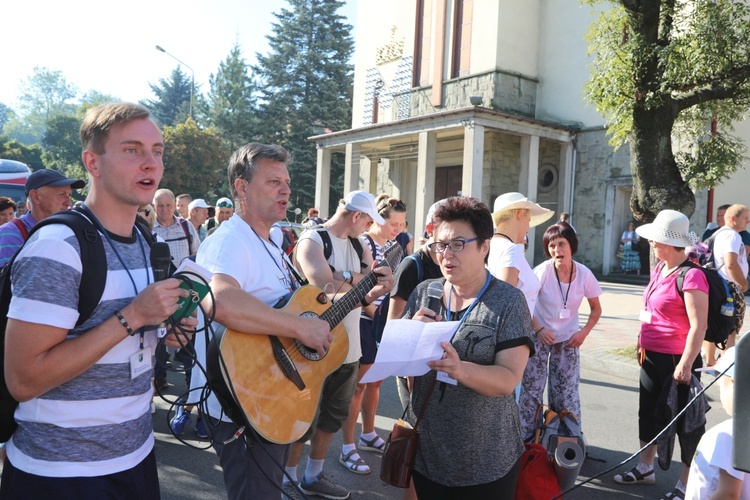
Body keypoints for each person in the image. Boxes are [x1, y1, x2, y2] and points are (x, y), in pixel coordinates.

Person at [0, 101, 195, 497]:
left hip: (136, 458)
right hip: (59, 472)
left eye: (157, 151)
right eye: (132, 149)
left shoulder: (145, 240)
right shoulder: (57, 246)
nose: (150, 163)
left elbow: (131, 336)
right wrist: (132, 317)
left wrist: (166, 328)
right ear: (93, 162)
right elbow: (23, 380)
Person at [194, 142, 333, 499]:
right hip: (241, 406)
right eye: (273, 181)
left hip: (271, 398)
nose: (286, 189)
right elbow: (221, 300)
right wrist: (301, 327)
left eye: (286, 181)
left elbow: (282, 309)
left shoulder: (271, 241)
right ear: (242, 188)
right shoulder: (229, 241)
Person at [400, 196, 533, 498]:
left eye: (458, 244)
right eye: (440, 245)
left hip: (487, 461)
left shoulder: (508, 302)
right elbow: (404, 372)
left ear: (484, 247)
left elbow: (508, 379)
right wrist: (411, 341)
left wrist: (460, 370)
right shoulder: (425, 293)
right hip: (427, 453)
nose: (446, 254)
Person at [285, 190, 393, 499]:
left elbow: (366, 291)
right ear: (356, 216)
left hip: (349, 347)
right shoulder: (313, 239)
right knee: (301, 416)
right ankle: (288, 479)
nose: (371, 227)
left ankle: (312, 475)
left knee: (332, 415)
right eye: (369, 220)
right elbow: (323, 284)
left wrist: (377, 284)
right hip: (310, 347)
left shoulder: (359, 244)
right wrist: (361, 279)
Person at [613, 210, 708, 500]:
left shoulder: (692, 276)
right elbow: (651, 312)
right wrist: (642, 341)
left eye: (655, 240)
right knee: (648, 414)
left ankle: (685, 484)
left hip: (679, 360)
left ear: (668, 243)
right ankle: (646, 467)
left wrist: (686, 364)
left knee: (686, 425)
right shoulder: (660, 268)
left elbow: (698, 325)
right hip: (653, 355)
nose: (651, 243)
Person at [340, 195, 406, 475]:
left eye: (402, 224)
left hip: (381, 322)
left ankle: (368, 434)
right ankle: (347, 446)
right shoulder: (363, 242)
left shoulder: (394, 246)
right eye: (393, 223)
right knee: (357, 385)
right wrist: (372, 312)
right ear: (379, 219)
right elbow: (355, 286)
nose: (398, 229)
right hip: (363, 319)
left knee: (375, 383)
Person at [518, 222, 602, 441]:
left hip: (568, 339)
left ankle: (568, 441)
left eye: (561, 244)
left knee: (565, 393)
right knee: (531, 391)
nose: (557, 250)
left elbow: (596, 309)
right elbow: (525, 304)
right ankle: (528, 441)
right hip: (539, 336)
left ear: (571, 246)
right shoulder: (542, 271)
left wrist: (583, 333)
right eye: (552, 246)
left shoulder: (584, 274)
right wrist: (539, 329)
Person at [685, 347, 750, 499]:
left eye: (721, 384)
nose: (720, 391)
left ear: (736, 383)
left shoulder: (730, 434)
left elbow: (728, 494)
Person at [0, 169, 85, 266]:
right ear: (36, 196)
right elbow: (12, 279)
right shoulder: (11, 232)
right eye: (62, 194)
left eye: (69, 195)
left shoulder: (68, 231)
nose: (68, 202)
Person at [488, 192, 554, 316]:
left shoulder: (488, 246)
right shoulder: (510, 250)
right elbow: (503, 301)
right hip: (513, 332)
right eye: (528, 220)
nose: (528, 227)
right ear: (519, 214)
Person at [710, 204, 748, 353]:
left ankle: (714, 362)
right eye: (745, 218)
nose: (748, 221)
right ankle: (726, 371)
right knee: (730, 330)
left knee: (719, 326)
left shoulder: (719, 233)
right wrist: (743, 284)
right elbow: (731, 264)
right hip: (730, 289)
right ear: (733, 219)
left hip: (720, 286)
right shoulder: (733, 235)